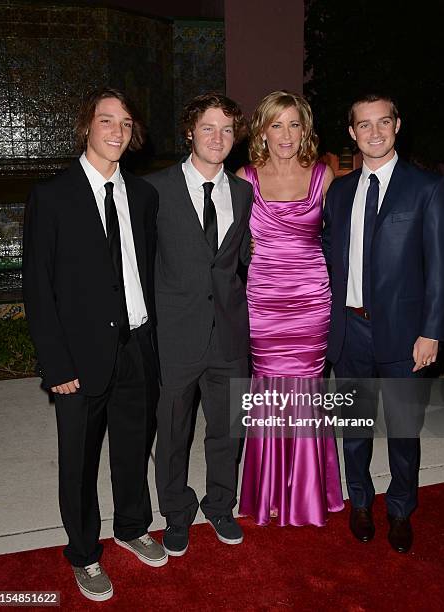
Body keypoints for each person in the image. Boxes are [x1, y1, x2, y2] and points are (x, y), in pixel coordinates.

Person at [22, 87, 166, 602]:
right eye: (107, 121)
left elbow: (146, 272)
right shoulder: (53, 196)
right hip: (78, 358)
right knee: (78, 461)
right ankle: (83, 554)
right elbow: (37, 287)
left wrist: (153, 343)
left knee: (133, 448)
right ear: (87, 126)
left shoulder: (144, 196)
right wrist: (55, 362)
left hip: (137, 345)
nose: (117, 132)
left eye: (126, 123)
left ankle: (131, 527)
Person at [323, 93, 444, 552]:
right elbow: (328, 259)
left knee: (403, 429)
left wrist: (432, 331)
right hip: (350, 330)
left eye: (383, 122)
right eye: (364, 125)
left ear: (397, 125)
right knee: (355, 428)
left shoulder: (426, 188)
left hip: (405, 333)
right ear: (352, 132)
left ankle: (400, 508)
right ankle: (360, 501)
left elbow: (441, 268)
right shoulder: (339, 191)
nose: (374, 132)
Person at [144, 93, 253, 556]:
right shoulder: (154, 189)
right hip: (173, 334)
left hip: (228, 333)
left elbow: (240, 262)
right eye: (208, 128)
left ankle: (221, 505)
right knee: (172, 431)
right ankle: (175, 511)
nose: (218, 138)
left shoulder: (244, 192)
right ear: (189, 132)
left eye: (227, 130)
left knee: (228, 427)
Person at [237, 90, 344, 526]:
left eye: (294, 124)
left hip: (311, 296)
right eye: (276, 124)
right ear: (262, 129)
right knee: (269, 391)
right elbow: (228, 246)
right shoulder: (244, 177)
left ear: (306, 130)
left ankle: (308, 492)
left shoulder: (324, 175)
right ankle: (268, 492)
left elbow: (339, 241)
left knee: (306, 391)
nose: (286, 134)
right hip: (263, 297)